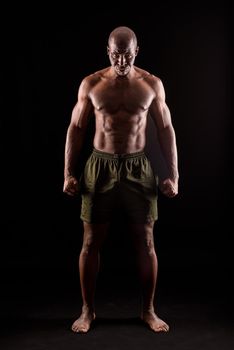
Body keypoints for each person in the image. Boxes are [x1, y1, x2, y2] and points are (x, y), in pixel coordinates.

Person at [63, 26, 179, 334]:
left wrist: (174, 175)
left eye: (127, 54)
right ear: (108, 51)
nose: (122, 61)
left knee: (147, 242)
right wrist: (68, 173)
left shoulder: (152, 84)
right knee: (90, 242)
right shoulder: (92, 83)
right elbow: (76, 127)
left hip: (138, 167)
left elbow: (166, 128)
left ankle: (149, 311)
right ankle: (87, 311)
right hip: (99, 166)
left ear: (136, 51)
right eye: (116, 54)